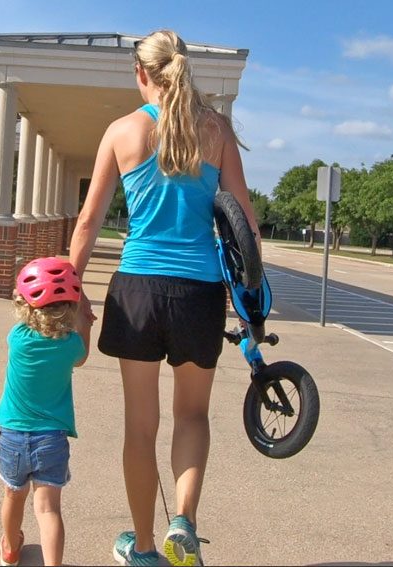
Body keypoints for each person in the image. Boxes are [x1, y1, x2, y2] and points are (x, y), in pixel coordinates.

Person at [68, 29, 260, 567]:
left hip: (137, 293)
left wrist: (69, 289)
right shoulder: (216, 130)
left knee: (140, 427)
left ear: (141, 74)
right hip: (199, 293)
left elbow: (88, 222)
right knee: (193, 415)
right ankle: (184, 522)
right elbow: (244, 220)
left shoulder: (122, 131)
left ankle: (146, 549)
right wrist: (252, 293)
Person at [0, 257, 91, 567]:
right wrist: (85, 322)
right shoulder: (71, 344)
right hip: (51, 439)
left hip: (13, 435)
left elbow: (33, 321)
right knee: (48, 508)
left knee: (13, 494)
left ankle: (11, 548)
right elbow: (82, 357)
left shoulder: (17, 338)